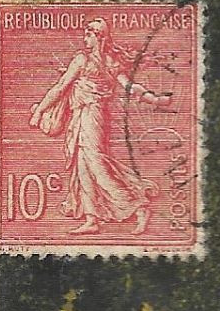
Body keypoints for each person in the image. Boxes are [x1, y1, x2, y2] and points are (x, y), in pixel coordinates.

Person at [27, 18, 166, 235]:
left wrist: (152, 99)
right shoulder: (95, 60)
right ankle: (92, 219)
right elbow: (62, 87)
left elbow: (63, 86)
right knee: (83, 166)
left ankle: (138, 207)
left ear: (98, 37)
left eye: (88, 34)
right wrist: (40, 110)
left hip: (93, 117)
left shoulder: (92, 61)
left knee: (97, 165)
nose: (85, 38)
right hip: (81, 117)